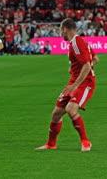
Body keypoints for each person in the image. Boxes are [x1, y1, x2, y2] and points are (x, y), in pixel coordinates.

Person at [36, 18, 99, 152]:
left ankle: (86, 142)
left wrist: (76, 84)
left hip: (85, 83)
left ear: (65, 29)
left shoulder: (76, 43)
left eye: (60, 30)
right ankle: (51, 144)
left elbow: (87, 65)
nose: (60, 34)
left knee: (71, 109)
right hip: (74, 82)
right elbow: (95, 59)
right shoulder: (79, 42)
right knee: (56, 113)